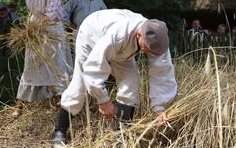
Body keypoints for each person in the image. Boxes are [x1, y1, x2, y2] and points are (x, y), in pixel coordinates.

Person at [52, 9, 178, 145]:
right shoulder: (119, 34)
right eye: (145, 48)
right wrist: (103, 99)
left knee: (132, 81)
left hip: (122, 50)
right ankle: (59, 131)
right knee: (80, 84)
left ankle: (122, 135)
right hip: (91, 36)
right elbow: (94, 66)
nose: (147, 52)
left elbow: (162, 71)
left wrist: (159, 107)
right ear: (139, 34)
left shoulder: (157, 40)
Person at [11, 0, 73, 117]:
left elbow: (50, 16)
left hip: (52, 31)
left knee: (56, 64)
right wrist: (31, 30)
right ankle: (20, 104)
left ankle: (62, 100)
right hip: (35, 32)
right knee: (31, 64)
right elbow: (33, 13)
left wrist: (36, 27)